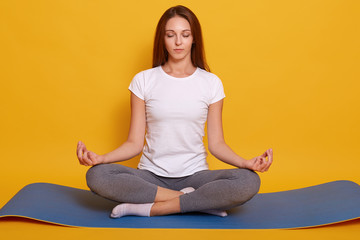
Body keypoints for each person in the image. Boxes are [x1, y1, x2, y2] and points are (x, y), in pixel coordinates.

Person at [76, 5, 273, 218]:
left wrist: (246, 163)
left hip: (196, 176)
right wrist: (101, 159)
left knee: (248, 181)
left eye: (185, 35)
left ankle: (147, 208)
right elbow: (134, 143)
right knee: (97, 175)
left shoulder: (211, 83)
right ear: (163, 39)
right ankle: (196, 201)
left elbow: (217, 144)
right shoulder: (143, 80)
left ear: (194, 38)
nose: (178, 42)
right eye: (171, 35)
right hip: (150, 177)